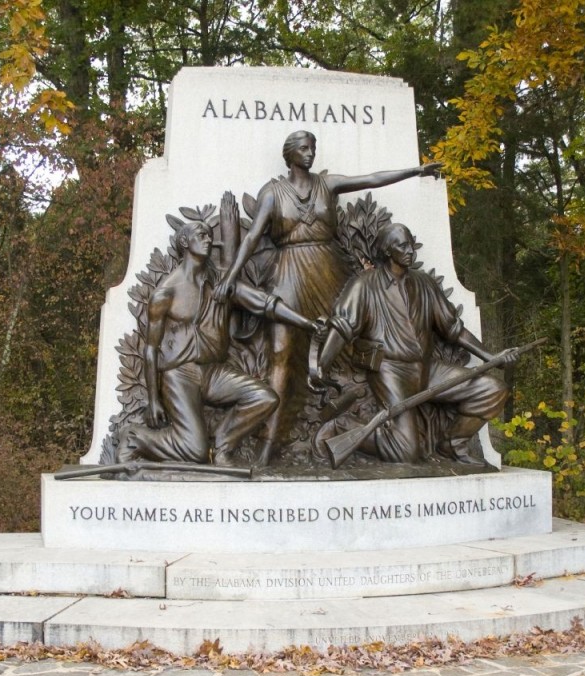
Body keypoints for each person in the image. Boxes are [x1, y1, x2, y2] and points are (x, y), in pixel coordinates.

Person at [213, 130, 441, 465]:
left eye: (313, 148)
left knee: (346, 345)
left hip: (330, 273)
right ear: (289, 154)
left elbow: (372, 179)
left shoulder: (328, 183)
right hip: (289, 274)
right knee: (281, 355)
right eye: (304, 149)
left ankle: (359, 428)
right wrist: (230, 278)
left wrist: (416, 171)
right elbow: (252, 240)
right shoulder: (272, 193)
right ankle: (267, 445)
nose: (310, 154)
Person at [116, 193, 321, 470]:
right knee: (194, 450)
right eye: (201, 234)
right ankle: (135, 439)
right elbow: (151, 349)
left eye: (208, 234)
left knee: (265, 397)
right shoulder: (166, 292)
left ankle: (223, 446)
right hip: (180, 373)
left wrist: (307, 323)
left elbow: (265, 304)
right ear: (185, 242)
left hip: (213, 372)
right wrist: (153, 399)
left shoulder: (220, 281)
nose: (208, 238)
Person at [310, 223, 516, 464]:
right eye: (403, 246)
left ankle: (452, 444)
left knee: (493, 389)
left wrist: (490, 357)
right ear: (387, 251)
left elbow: (453, 329)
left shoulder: (424, 283)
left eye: (411, 244)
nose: (410, 250)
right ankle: (341, 428)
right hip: (391, 371)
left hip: (428, 369)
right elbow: (343, 327)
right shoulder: (365, 284)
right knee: (406, 452)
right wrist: (321, 366)